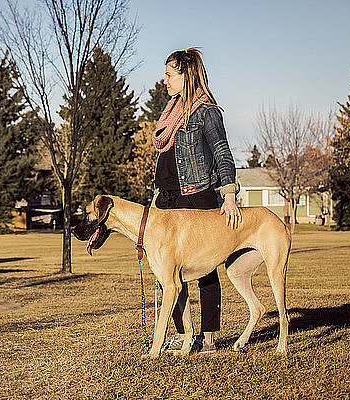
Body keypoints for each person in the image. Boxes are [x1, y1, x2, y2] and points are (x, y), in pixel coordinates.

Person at [151, 48, 242, 354]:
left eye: (169, 74)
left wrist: (229, 194)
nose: (165, 80)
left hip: (197, 197)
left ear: (186, 74)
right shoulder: (172, 112)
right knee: (167, 272)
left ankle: (209, 337)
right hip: (166, 202)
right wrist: (155, 197)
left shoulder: (207, 112)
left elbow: (222, 153)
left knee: (205, 269)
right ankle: (182, 333)